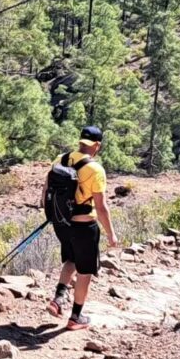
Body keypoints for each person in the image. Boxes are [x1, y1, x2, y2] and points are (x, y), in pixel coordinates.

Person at [44, 126, 119, 331]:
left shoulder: (61, 159)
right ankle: (76, 317)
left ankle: (59, 298)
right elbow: (102, 207)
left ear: (80, 142)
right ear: (97, 145)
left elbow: (46, 192)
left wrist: (53, 217)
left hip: (62, 223)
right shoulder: (96, 170)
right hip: (84, 225)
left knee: (71, 259)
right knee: (85, 271)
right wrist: (111, 235)